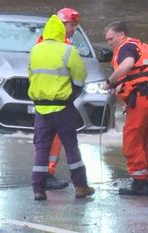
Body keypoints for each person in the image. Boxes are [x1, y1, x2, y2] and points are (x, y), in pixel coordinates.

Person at [28, 14, 95, 201]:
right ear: (61, 30)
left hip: (41, 109)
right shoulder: (68, 50)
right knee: (71, 147)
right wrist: (73, 93)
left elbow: (30, 76)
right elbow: (80, 76)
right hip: (63, 107)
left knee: (41, 149)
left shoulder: (35, 50)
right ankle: (81, 186)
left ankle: (38, 189)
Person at [102, 21, 148, 196]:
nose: (109, 43)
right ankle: (141, 180)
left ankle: (140, 184)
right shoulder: (144, 47)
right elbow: (141, 73)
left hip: (142, 100)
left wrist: (110, 81)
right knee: (141, 142)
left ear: (121, 35)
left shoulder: (126, 48)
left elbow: (127, 65)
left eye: (111, 39)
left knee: (131, 142)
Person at [35, 7, 81, 190]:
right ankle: (46, 175)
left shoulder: (61, 43)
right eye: (72, 25)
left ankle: (46, 174)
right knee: (51, 140)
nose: (74, 29)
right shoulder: (53, 44)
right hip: (54, 99)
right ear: (62, 24)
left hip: (52, 97)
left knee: (52, 140)